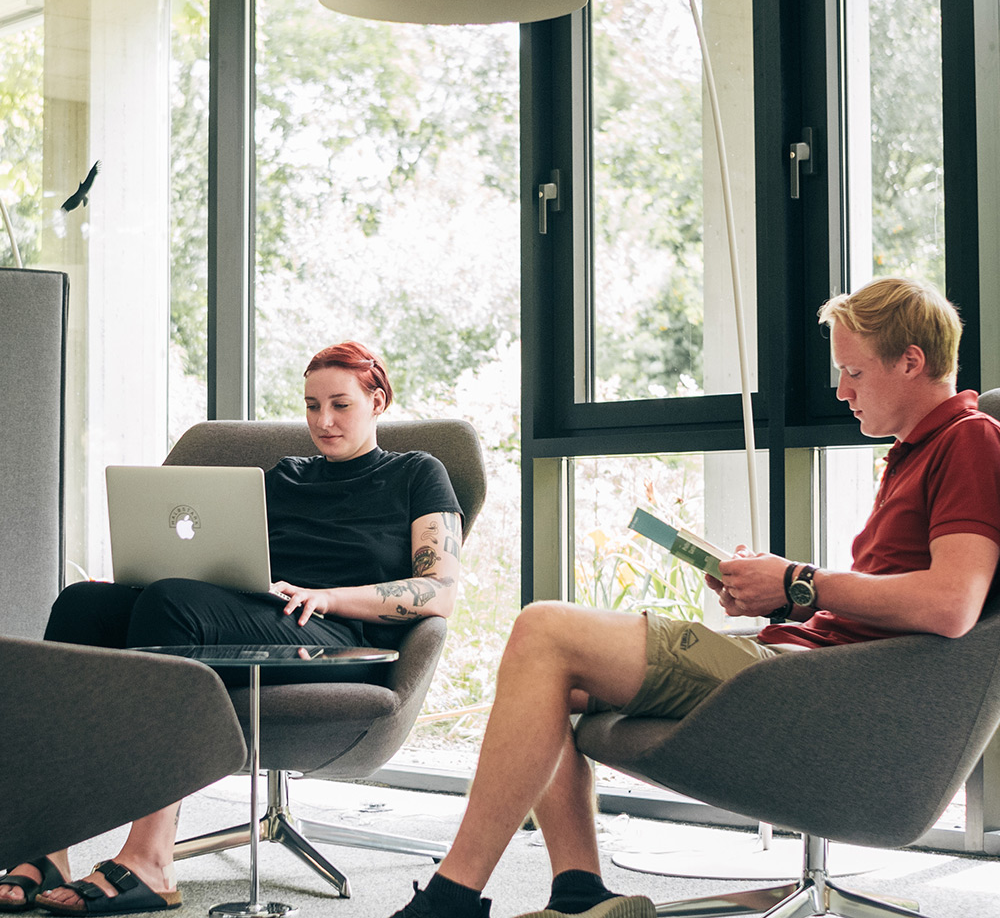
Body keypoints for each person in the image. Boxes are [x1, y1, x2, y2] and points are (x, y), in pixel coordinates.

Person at [386, 277, 1000, 918]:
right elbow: (887, 602)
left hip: (813, 688)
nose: (841, 390)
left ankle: (450, 902)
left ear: (911, 361)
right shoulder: (915, 451)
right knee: (550, 688)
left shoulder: (969, 440)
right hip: (807, 669)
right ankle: (579, 893)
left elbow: (952, 604)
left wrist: (799, 581)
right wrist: (779, 597)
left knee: (545, 631)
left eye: (853, 371)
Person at [0, 341, 464, 916]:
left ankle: (151, 858)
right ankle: (45, 847)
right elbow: (227, 556)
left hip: (340, 635)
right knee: (82, 606)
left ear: (378, 400)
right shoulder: (286, 475)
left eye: (340, 405)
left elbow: (438, 590)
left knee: (171, 606)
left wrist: (329, 597)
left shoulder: (417, 472)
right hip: (261, 612)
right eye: (311, 405)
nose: (323, 421)